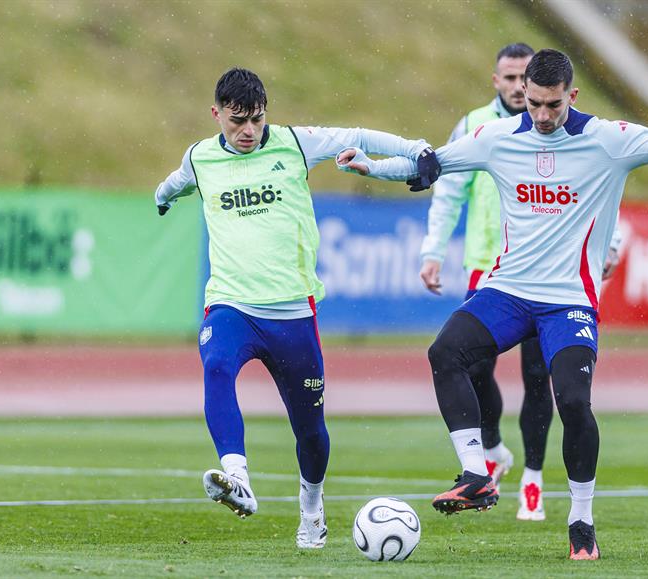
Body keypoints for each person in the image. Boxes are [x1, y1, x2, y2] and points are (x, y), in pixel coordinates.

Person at [338, 48, 648, 560]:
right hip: (509, 290)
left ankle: (582, 521)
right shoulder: (497, 138)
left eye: (553, 106)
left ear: (572, 96)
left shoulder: (609, 141)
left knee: (572, 400)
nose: (543, 117)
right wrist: (371, 167)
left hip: (569, 299)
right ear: (522, 94)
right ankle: (477, 475)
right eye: (534, 105)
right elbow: (430, 164)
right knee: (446, 353)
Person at [153, 67, 438, 549]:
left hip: (292, 315)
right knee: (216, 364)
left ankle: (312, 507)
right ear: (216, 114)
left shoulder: (295, 144)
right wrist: (161, 197)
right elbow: (179, 181)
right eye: (237, 121)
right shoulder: (201, 157)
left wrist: (416, 150)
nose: (248, 131)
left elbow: (361, 133)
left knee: (310, 431)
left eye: (257, 120)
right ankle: (237, 476)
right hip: (231, 303)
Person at [419, 43, 622, 522]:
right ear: (500, 82)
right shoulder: (478, 129)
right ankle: (487, 453)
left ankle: (533, 478)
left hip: (557, 279)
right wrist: (432, 249)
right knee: (471, 366)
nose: (517, 89)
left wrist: (609, 244)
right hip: (492, 270)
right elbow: (445, 185)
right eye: (509, 80)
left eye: (522, 80)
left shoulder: (583, 135)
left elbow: (602, 183)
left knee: (541, 378)